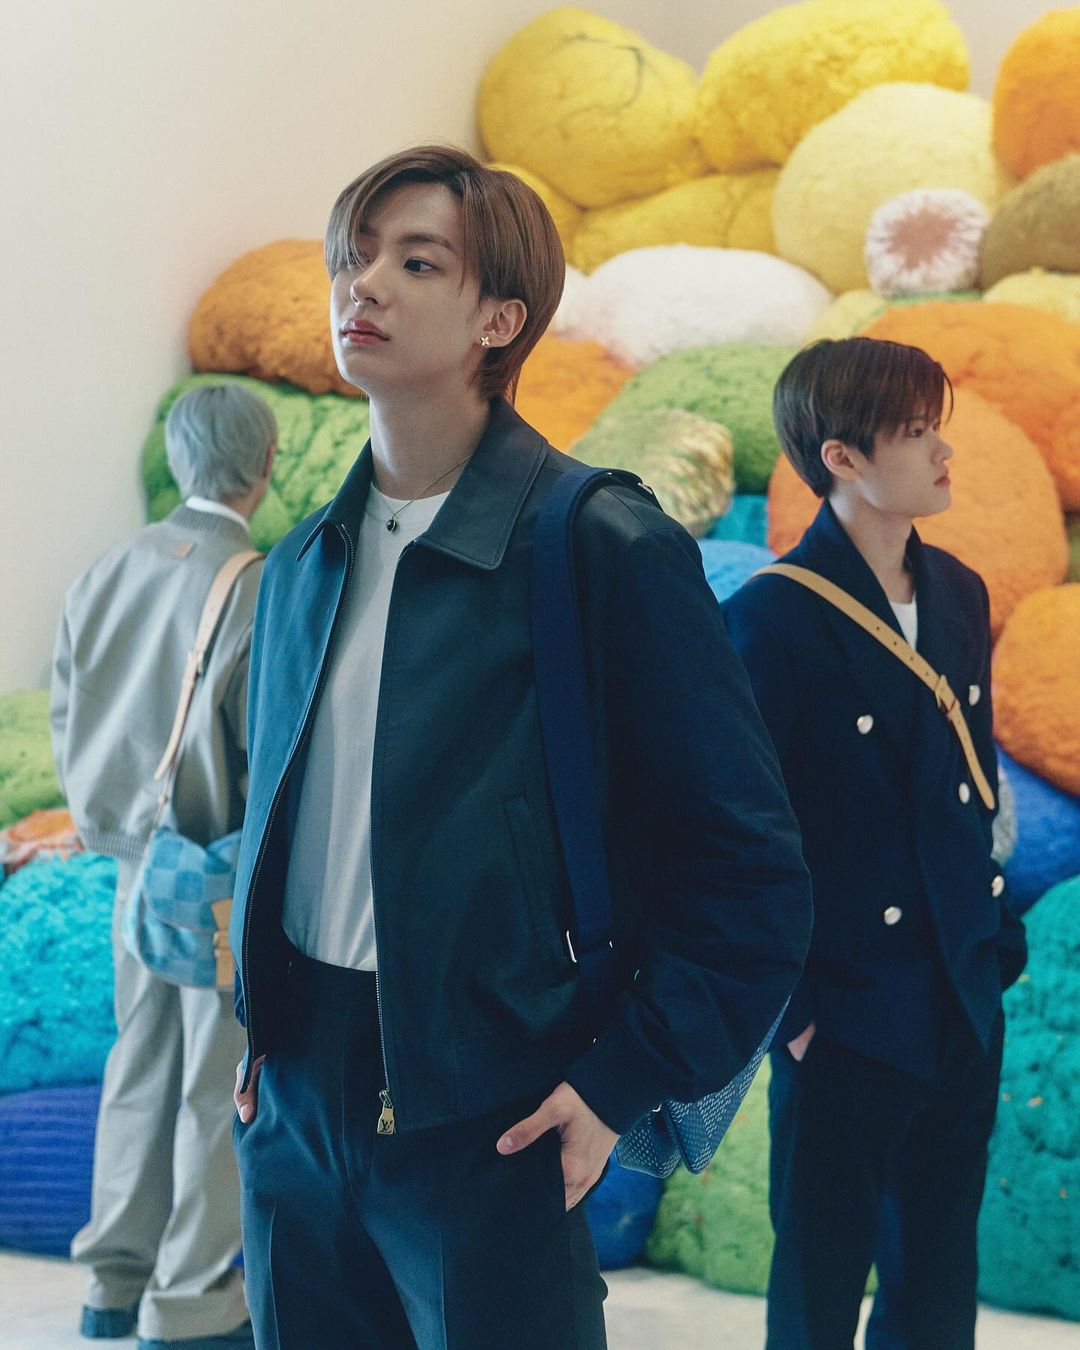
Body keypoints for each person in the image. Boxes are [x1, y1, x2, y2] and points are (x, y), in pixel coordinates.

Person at [229, 144, 812, 1350]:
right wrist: (262, 1032)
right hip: (295, 1106)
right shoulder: (301, 565)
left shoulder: (599, 545)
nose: (361, 286)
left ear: (501, 317)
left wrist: (618, 1081)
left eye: (415, 262)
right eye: (354, 257)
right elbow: (279, 821)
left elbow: (752, 872)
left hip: (491, 1107)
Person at [722, 337, 1029, 1350]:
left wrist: (990, 946)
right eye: (916, 432)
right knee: (817, 1284)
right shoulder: (768, 618)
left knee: (938, 1280)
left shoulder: (959, 592)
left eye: (939, 427)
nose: (945, 452)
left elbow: (971, 788)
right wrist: (794, 1016)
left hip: (957, 993)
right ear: (843, 458)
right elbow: (735, 835)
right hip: (843, 1011)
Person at [51, 383, 276, 1348]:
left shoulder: (110, 566)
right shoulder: (254, 582)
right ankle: (189, 1304)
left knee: (137, 1067)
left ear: (179, 460)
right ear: (264, 466)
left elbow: (68, 709)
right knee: (212, 1084)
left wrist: (107, 823)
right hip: (214, 875)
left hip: (133, 865)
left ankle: (112, 1283)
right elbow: (263, 747)